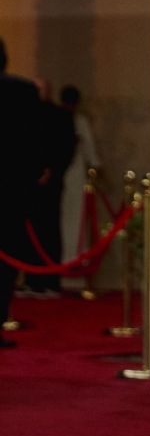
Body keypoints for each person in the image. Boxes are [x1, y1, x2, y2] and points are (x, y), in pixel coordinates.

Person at [0, 40, 47, 343]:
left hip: (13, 186)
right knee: (6, 264)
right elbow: (35, 140)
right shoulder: (24, 91)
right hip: (12, 190)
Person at [24, 80, 76, 296]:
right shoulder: (26, 115)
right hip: (29, 183)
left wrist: (51, 171)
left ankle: (51, 282)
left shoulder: (61, 116)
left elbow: (66, 148)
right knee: (30, 231)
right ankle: (32, 280)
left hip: (51, 182)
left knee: (50, 229)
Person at [59, 85, 100, 262]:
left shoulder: (63, 118)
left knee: (71, 216)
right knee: (72, 216)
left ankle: (71, 256)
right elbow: (90, 148)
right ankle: (72, 255)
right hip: (73, 173)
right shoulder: (78, 121)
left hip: (68, 174)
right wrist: (96, 165)